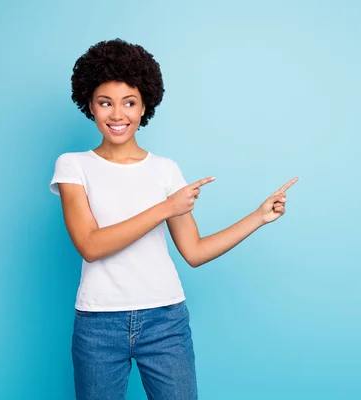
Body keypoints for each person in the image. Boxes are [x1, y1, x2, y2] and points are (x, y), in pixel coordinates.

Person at [49, 38, 298, 400]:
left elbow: (194, 252)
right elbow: (90, 245)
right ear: (89, 104)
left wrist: (257, 217)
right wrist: (166, 208)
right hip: (98, 324)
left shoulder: (165, 171)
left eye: (129, 103)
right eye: (105, 103)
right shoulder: (73, 165)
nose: (117, 115)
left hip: (165, 321)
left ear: (144, 105)